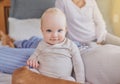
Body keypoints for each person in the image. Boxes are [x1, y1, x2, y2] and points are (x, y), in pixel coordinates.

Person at [27, 8, 85, 84]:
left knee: (70, 80)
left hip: (61, 80)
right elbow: (34, 55)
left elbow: (78, 65)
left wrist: (80, 82)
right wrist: (32, 60)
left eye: (59, 30)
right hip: (42, 79)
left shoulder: (70, 45)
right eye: (49, 30)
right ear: (42, 30)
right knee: (30, 73)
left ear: (65, 30)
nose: (54, 35)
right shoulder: (41, 44)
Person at [55, 0, 120, 46]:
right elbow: (59, 24)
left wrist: (99, 40)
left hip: (100, 36)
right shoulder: (62, 2)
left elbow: (100, 22)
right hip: (81, 43)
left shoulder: (91, 1)